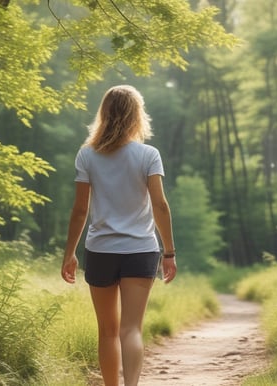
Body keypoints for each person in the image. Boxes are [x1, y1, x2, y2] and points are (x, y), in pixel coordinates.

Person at [61, 85, 177, 386]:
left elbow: (79, 210)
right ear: (137, 115)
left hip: (100, 250)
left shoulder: (87, 155)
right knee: (131, 330)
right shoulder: (148, 154)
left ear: (105, 113)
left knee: (108, 331)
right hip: (141, 250)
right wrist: (169, 253)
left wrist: (69, 253)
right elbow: (160, 205)